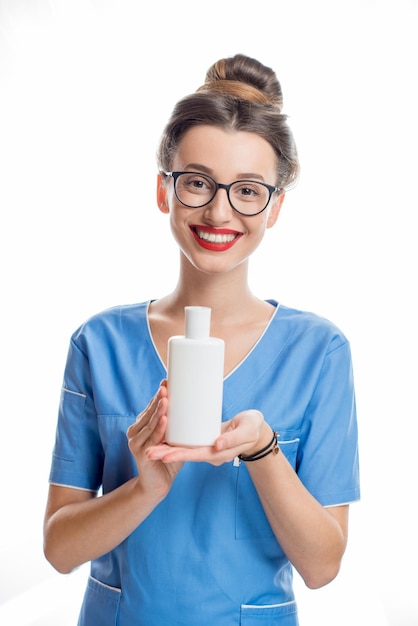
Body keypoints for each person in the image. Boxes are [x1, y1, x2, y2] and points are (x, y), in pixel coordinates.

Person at [43, 53, 360, 626]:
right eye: (197, 182)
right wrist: (144, 489)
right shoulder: (99, 342)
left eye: (247, 190)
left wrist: (263, 452)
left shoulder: (318, 353)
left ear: (276, 206)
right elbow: (59, 549)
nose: (219, 210)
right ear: (165, 191)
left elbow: (322, 566)